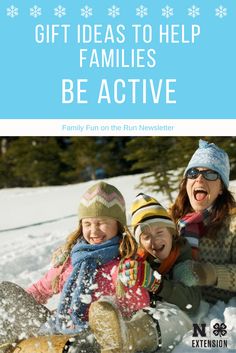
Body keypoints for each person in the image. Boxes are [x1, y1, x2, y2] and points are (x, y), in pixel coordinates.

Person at [0, 181, 150, 353]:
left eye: (101, 222)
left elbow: (140, 304)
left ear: (118, 224)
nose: (94, 231)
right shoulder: (70, 261)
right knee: (5, 291)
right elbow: (41, 289)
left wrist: (126, 288)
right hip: (58, 326)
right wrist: (17, 309)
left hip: (95, 337)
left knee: (89, 328)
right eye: (87, 224)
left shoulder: (123, 265)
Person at [89, 193, 201, 353]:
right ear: (140, 242)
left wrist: (155, 283)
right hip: (141, 312)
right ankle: (92, 338)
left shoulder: (184, 259)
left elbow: (192, 302)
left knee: (169, 319)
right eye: (146, 236)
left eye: (160, 232)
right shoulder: (140, 259)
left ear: (172, 233)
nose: (154, 241)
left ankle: (127, 339)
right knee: (115, 303)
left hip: (174, 317)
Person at [170, 139, 236, 304]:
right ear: (187, 183)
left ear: (221, 188)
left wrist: (208, 273)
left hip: (216, 311)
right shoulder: (170, 219)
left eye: (210, 174)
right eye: (193, 173)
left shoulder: (233, 224)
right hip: (173, 301)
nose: (199, 179)